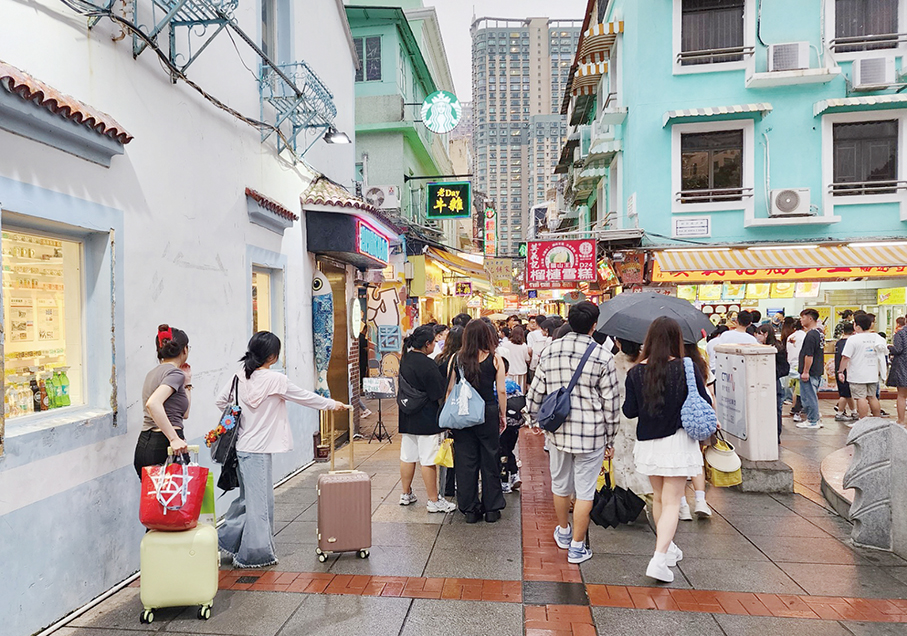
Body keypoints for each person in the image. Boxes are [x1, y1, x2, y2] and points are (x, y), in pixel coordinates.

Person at [217, 332, 349, 568]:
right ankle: (253, 554)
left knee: (249, 500)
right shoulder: (276, 380)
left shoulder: (239, 378)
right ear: (273, 356)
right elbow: (306, 397)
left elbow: (221, 402)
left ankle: (225, 539)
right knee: (260, 504)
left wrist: (244, 414)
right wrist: (332, 404)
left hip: (241, 448)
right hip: (259, 451)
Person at [527, 301, 620, 565]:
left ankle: (564, 532)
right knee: (585, 490)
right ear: (594, 325)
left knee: (560, 484)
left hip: (557, 431)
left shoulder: (551, 350)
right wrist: (610, 438)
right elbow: (611, 404)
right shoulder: (603, 356)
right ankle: (578, 547)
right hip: (591, 435)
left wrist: (532, 417)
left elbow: (536, 391)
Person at [623, 317, 711, 583]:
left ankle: (667, 546)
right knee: (673, 501)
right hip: (678, 441)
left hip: (648, 443)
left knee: (660, 499)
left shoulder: (636, 372)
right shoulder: (687, 366)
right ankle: (659, 559)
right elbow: (703, 401)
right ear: (676, 339)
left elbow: (630, 411)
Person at [446, 320, 507, 523]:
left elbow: (449, 389)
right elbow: (501, 390)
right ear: (486, 336)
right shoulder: (495, 358)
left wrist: (450, 416)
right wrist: (503, 415)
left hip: (463, 414)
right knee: (490, 459)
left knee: (466, 461)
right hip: (487, 412)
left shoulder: (457, 358)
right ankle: (491, 509)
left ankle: (470, 510)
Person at [397, 325, 457, 513]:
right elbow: (437, 393)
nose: (436, 344)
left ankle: (405, 494)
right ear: (427, 344)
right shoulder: (428, 364)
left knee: (407, 457)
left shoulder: (405, 359)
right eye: (434, 341)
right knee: (428, 460)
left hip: (407, 416)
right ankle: (433, 500)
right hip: (427, 418)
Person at [135, 325, 191, 477]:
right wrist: (174, 438)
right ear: (184, 350)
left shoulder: (152, 373)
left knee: (154, 499)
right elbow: (153, 403)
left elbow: (184, 414)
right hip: (165, 445)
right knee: (176, 498)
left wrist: (187, 383)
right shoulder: (174, 374)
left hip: (145, 444)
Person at [610, 338, 652, 501]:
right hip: (644, 415)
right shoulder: (648, 362)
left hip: (619, 414)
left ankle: (625, 494)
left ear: (617, 342)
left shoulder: (611, 362)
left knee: (621, 455)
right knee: (641, 456)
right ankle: (644, 492)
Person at [680, 343, 714, 520]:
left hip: (680, 417)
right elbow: (710, 392)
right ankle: (700, 500)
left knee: (678, 462)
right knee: (696, 458)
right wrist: (714, 417)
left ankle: (683, 504)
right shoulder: (700, 361)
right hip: (698, 415)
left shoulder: (672, 363)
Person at [838, 313, 888, 422]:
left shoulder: (853, 339)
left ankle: (863, 421)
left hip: (858, 374)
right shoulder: (877, 338)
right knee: (872, 397)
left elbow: (846, 357)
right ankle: (877, 419)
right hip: (872, 373)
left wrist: (840, 371)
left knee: (861, 397)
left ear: (857, 326)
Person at [435, 326, 464, 498]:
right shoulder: (462, 360)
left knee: (447, 445)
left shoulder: (439, 359)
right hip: (459, 406)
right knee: (461, 447)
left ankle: (447, 486)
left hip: (444, 407)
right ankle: (460, 484)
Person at [756, 325, 790, 440]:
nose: (757, 336)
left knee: (775, 409)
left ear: (765, 334)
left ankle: (776, 435)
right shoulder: (766, 346)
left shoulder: (775, 348)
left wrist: (772, 373)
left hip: (773, 382)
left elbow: (784, 367)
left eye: (759, 334)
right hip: (771, 381)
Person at [797, 309, 825, 430]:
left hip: (811, 371)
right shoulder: (819, 333)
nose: (801, 320)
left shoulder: (811, 335)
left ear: (810, 318)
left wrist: (805, 371)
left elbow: (809, 355)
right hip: (817, 370)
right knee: (812, 395)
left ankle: (813, 420)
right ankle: (815, 418)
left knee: (809, 396)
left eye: (803, 317)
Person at [833, 323, 858, 423]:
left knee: (848, 393)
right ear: (854, 331)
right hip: (846, 370)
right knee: (844, 394)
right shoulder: (851, 342)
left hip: (839, 370)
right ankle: (839, 413)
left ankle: (854, 412)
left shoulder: (839, 342)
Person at [501, 325, 531, 390]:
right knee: (520, 390)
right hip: (521, 371)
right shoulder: (524, 345)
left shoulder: (506, 344)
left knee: (509, 389)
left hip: (510, 370)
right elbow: (527, 359)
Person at [888, 323, 907, 425]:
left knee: (902, 395)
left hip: (903, 366)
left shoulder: (900, 334)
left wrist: (889, 348)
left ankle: (901, 420)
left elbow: (898, 349)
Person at [358, 324, 373, 418]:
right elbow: (365, 348)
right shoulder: (362, 338)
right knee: (362, 373)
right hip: (362, 360)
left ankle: (364, 409)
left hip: (360, 360)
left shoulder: (360, 338)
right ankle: (365, 409)